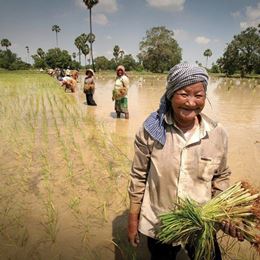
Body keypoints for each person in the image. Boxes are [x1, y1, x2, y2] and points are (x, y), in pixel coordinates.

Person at [127, 63, 243, 260]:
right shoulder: (151, 131)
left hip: (201, 222)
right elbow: (138, 177)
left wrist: (225, 213)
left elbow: (221, 176)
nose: (191, 103)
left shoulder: (217, 133)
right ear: (171, 95)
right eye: (183, 94)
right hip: (160, 222)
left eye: (198, 95)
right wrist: (132, 220)